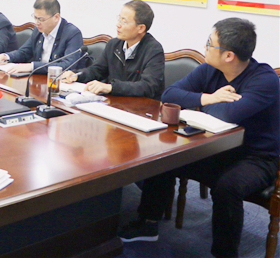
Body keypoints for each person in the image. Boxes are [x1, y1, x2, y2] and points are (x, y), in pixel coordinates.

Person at [118, 18, 279, 258]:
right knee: (163, 156)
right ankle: (148, 223)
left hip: (256, 157)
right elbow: (170, 94)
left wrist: (199, 104)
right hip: (215, 148)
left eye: (209, 43)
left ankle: (225, 253)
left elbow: (230, 115)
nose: (205, 47)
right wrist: (208, 98)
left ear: (229, 56)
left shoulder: (264, 80)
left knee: (227, 187)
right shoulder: (210, 69)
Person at [61, 0, 165, 99]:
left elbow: (148, 86)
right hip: (115, 102)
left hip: (141, 106)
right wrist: (77, 75)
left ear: (141, 28)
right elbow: (97, 70)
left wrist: (111, 87)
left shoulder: (153, 50)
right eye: (119, 19)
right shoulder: (114, 44)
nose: (118, 25)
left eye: (124, 22)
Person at [0, 0, 84, 75]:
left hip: (59, 83)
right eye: (35, 18)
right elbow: (24, 52)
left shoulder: (72, 34)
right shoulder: (38, 30)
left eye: (41, 19)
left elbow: (67, 65)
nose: (37, 23)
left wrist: (32, 66)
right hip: (38, 79)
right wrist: (6, 56)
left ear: (56, 17)